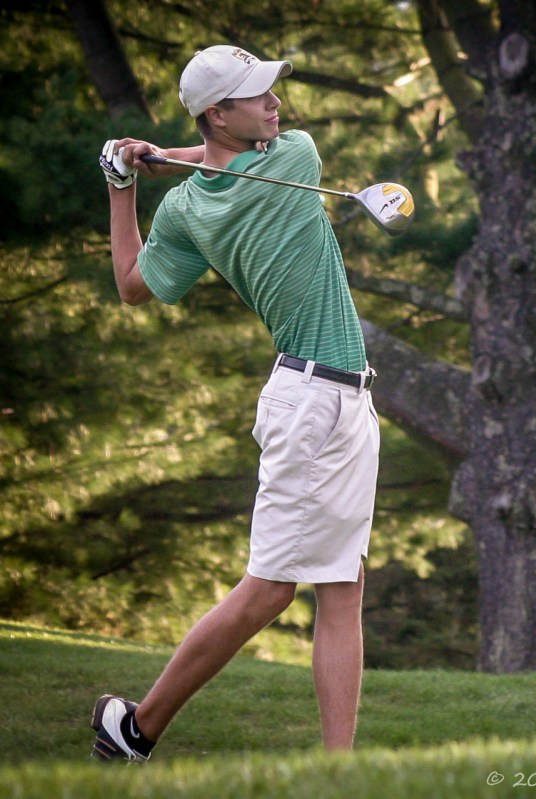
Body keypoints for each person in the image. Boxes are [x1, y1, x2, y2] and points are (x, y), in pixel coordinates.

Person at [91, 44, 380, 762]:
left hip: (345, 395)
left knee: (342, 583)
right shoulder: (296, 158)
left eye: (271, 89)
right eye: (256, 95)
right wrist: (162, 157)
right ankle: (135, 728)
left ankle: (339, 768)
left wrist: (124, 182)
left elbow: (131, 280)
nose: (275, 103)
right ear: (220, 111)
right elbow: (219, 158)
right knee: (270, 591)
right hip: (307, 400)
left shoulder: (189, 209)